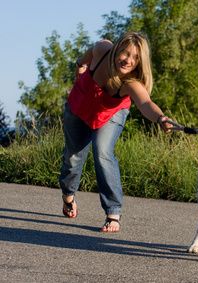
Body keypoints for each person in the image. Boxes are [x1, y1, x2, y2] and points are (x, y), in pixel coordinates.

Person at [59, 32, 173, 232]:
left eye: (135, 57)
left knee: (103, 152)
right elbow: (89, 52)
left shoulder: (131, 82)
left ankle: (113, 211)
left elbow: (146, 103)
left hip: (109, 113)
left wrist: (161, 118)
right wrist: (80, 65)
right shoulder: (103, 50)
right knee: (73, 157)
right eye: (125, 53)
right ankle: (68, 196)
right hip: (79, 106)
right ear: (116, 49)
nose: (129, 60)